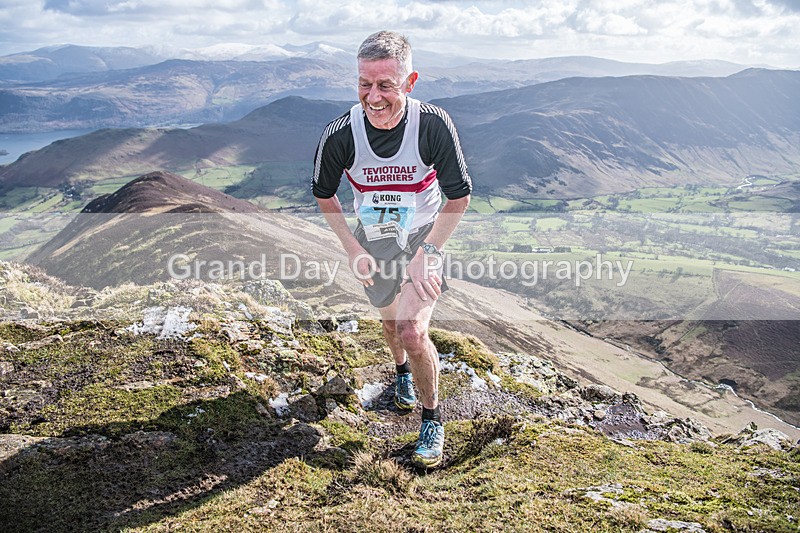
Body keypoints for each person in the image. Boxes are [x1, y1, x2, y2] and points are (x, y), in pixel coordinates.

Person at [312, 30, 472, 468]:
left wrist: (430, 252)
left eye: (386, 85)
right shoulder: (341, 133)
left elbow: (459, 196)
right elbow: (324, 193)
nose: (374, 97)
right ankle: (401, 374)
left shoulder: (433, 125)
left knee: (411, 330)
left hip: (424, 240)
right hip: (374, 242)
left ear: (410, 81)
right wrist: (350, 247)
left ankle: (432, 420)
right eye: (364, 84)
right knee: (389, 326)